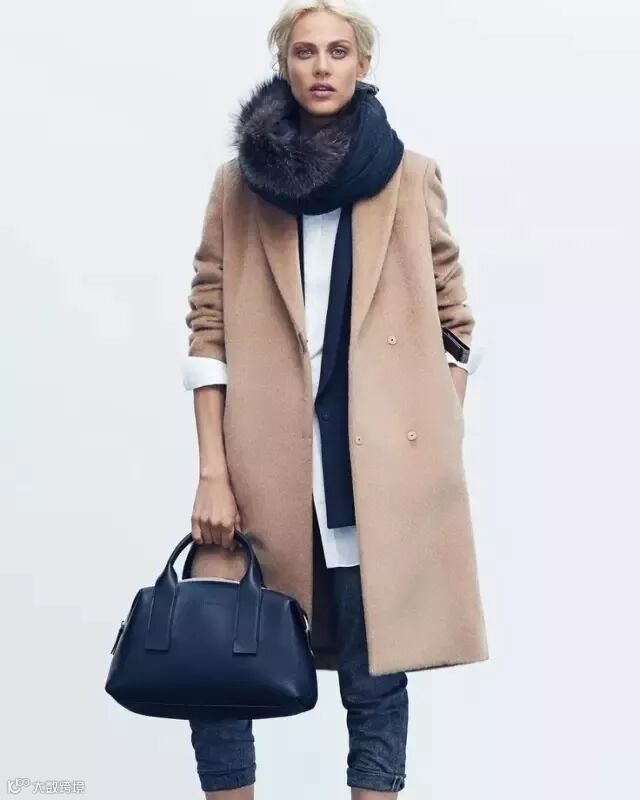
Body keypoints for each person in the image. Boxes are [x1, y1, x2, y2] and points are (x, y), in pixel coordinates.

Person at [180, 1, 489, 797]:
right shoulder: (239, 184)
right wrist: (213, 472)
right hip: (260, 472)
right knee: (215, 671)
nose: (322, 67)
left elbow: (456, 325)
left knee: (375, 683)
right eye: (306, 52)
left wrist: (430, 435)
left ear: (363, 64)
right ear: (284, 64)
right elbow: (208, 330)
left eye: (339, 51)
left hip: (376, 476)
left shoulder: (409, 177)